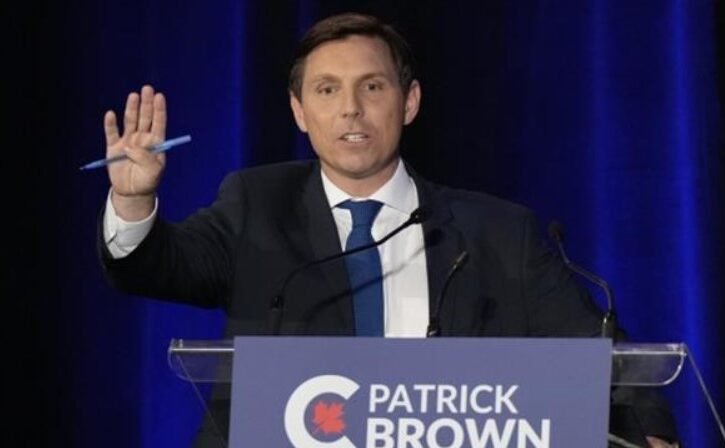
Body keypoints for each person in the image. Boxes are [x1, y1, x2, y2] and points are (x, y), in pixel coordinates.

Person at [99, 12, 678, 448]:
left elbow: (603, 356)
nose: (351, 108)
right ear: (299, 112)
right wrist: (133, 198)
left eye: (372, 86)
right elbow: (158, 266)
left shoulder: (499, 232)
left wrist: (649, 434)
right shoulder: (256, 204)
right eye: (327, 89)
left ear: (409, 102)